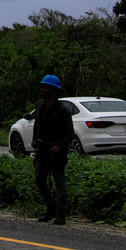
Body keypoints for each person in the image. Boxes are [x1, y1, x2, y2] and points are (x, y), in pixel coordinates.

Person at [32, 74, 72, 225]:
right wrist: (35, 139)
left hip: (56, 153)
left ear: (54, 91)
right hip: (42, 151)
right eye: (42, 87)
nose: (42, 89)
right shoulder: (40, 106)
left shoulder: (63, 110)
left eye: (46, 87)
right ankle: (51, 208)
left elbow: (69, 132)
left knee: (59, 182)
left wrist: (59, 146)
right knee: (40, 179)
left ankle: (61, 213)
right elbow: (37, 125)